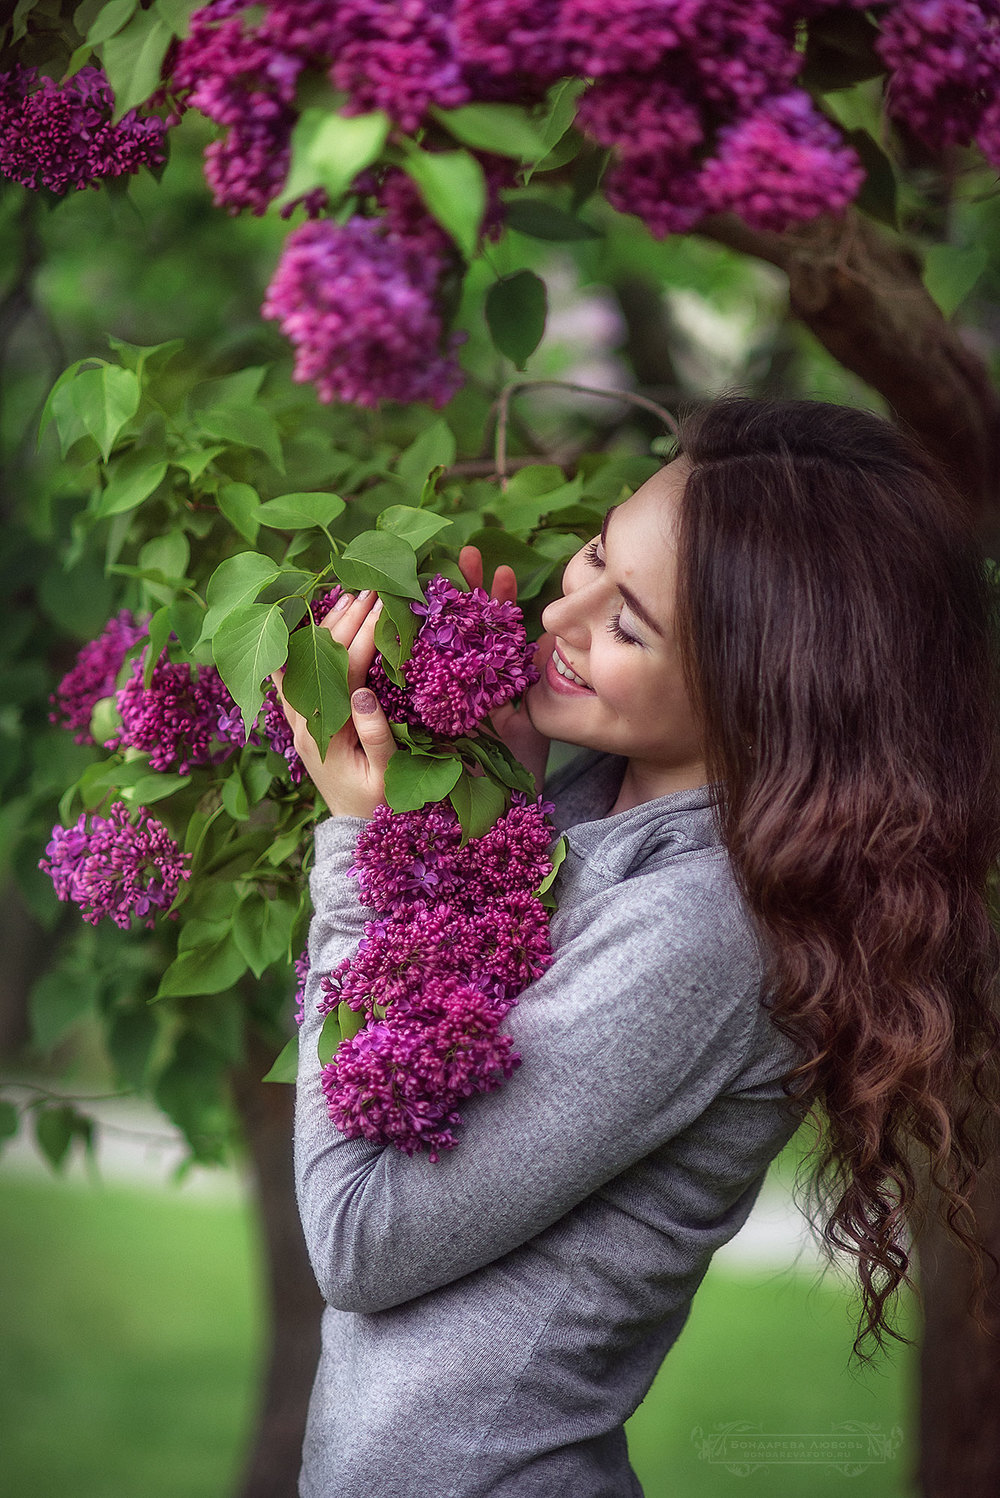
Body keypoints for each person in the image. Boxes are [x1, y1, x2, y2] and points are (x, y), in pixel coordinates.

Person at [275, 396, 1000, 1498]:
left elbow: (364, 1242)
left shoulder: (706, 931)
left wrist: (355, 851)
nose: (562, 615)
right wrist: (488, 784)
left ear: (766, 690)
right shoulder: (594, 810)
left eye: (628, 626)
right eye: (596, 556)